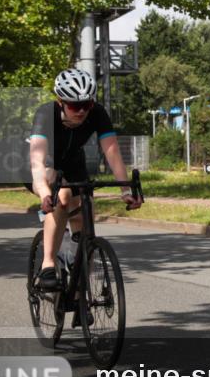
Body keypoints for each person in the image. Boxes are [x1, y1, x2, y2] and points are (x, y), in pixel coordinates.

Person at [28, 68, 141, 296]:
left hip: (73, 161)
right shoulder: (45, 113)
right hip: (44, 165)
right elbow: (37, 161)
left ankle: (80, 276)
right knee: (62, 196)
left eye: (86, 105)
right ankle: (48, 264)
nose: (81, 111)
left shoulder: (97, 113)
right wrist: (43, 193)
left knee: (85, 205)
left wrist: (125, 190)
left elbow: (113, 154)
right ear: (61, 101)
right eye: (73, 106)